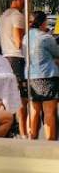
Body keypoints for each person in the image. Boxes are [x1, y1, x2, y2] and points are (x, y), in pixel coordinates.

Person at [25, 11, 59, 140]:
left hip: (31, 77)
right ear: (43, 23)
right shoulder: (46, 37)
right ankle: (50, 143)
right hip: (47, 76)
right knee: (49, 111)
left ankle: (31, 139)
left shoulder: (26, 37)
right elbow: (57, 52)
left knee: (33, 110)